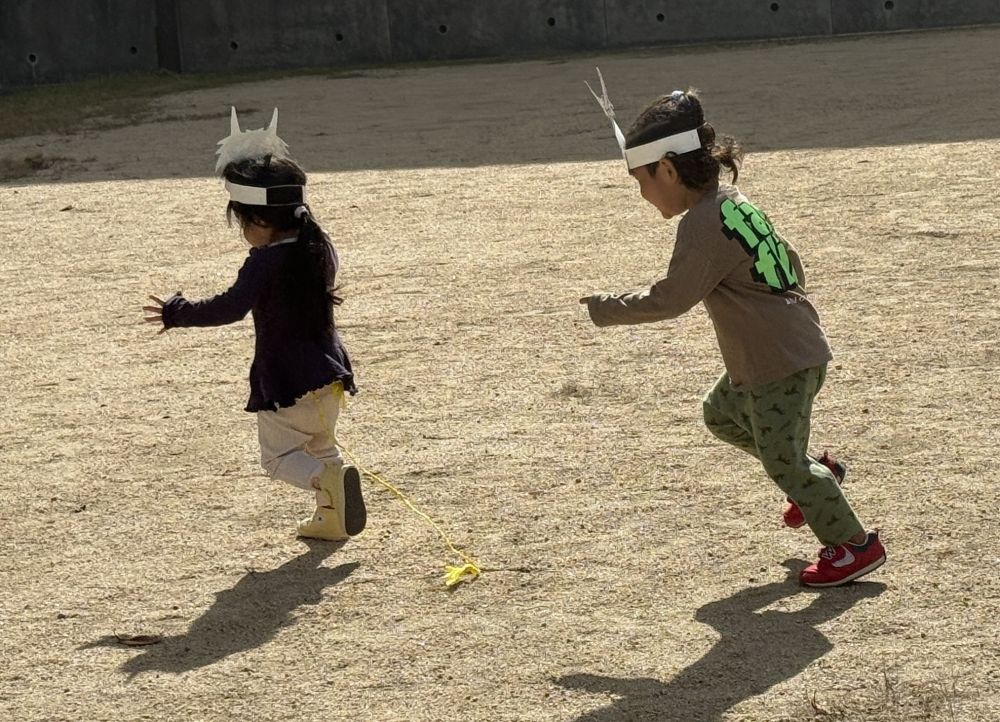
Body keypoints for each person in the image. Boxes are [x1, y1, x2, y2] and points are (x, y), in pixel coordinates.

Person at [579, 72, 885, 587]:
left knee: (783, 462)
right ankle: (818, 476)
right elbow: (792, 259)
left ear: (669, 170)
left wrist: (606, 308)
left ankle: (853, 545)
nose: (642, 194)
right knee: (720, 414)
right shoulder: (731, 203)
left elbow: (671, 299)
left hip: (776, 363)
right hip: (786, 350)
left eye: (641, 181)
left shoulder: (701, 224)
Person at [142, 108, 366, 542]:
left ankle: (329, 483)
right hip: (329, 375)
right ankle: (332, 516)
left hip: (288, 380)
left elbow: (229, 307)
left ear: (260, 221)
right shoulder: (318, 246)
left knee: (280, 459)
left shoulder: (265, 262)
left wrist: (178, 312)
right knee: (321, 447)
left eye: (243, 220)